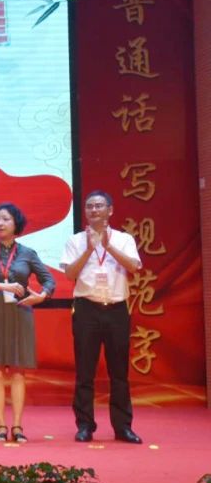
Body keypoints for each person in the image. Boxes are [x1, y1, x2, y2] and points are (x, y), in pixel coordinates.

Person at [60, 190, 142, 444]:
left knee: (119, 373)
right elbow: (69, 274)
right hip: (86, 309)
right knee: (85, 372)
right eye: (89, 206)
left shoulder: (124, 239)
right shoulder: (75, 240)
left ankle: (123, 427)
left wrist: (108, 247)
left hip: (116, 309)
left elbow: (133, 266)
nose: (94, 210)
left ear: (110, 210)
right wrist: (88, 249)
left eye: (99, 205)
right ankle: (85, 425)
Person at [0, 202, 55, 443]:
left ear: (16, 223)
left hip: (20, 313)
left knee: (18, 370)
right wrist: (3, 286)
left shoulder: (28, 253)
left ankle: (17, 426)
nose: (0, 223)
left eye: (5, 219)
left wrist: (41, 296)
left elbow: (49, 280)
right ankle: (0, 425)